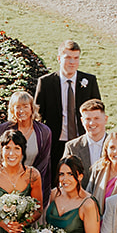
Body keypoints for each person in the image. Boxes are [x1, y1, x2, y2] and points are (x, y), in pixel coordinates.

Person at [34, 40, 102, 169]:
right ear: (59, 59)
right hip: (56, 141)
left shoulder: (89, 81)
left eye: (76, 58)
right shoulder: (46, 82)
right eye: (68, 58)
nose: (72, 62)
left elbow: (98, 110)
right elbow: (38, 114)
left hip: (83, 139)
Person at [1, 92, 53, 183]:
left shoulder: (44, 132)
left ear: (32, 108)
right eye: (18, 107)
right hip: (7, 180)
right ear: (12, 109)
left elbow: (44, 163)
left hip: (34, 181)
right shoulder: (3, 129)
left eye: (25, 106)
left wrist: (30, 180)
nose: (22, 111)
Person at [65, 99, 109, 177]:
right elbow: (65, 176)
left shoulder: (116, 144)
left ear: (105, 119)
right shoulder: (72, 147)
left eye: (96, 118)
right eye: (88, 119)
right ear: (82, 121)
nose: (92, 123)